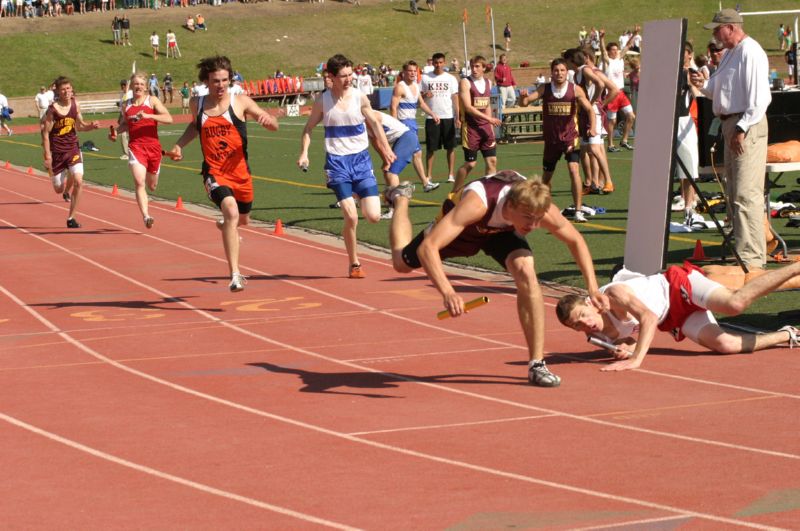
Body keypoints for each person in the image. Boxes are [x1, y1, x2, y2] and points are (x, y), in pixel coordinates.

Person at [385, 170, 608, 387]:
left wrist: (593, 288)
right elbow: (428, 249)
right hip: (466, 230)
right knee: (401, 263)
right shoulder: (477, 204)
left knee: (527, 273)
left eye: (538, 219)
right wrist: (448, 291)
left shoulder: (540, 208)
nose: (532, 226)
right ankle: (401, 198)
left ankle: (537, 364)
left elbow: (575, 241)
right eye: (528, 219)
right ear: (510, 206)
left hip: (501, 233)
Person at [556, 261, 800, 371]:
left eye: (583, 316)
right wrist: (625, 349)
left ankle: (795, 267)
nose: (585, 326)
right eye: (576, 326)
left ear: (590, 303)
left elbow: (648, 319)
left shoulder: (614, 295)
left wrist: (636, 360)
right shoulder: (600, 334)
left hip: (679, 286)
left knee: (735, 303)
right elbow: (629, 338)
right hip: (674, 317)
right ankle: (787, 334)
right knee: (726, 345)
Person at [165, 55, 279, 292]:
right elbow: (195, 127)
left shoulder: (241, 102)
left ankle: (227, 226)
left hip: (241, 173)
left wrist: (268, 121)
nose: (221, 85)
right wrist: (179, 145)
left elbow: (270, 122)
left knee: (242, 220)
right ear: (206, 81)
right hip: (214, 172)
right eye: (216, 81)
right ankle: (235, 274)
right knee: (230, 209)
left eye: (225, 80)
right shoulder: (197, 104)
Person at [297, 54, 396, 279]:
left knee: (373, 216)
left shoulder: (359, 97)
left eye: (351, 74)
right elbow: (308, 129)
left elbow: (375, 123)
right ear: (331, 77)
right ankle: (354, 263)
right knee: (350, 217)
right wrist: (304, 153)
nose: (349, 79)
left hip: (361, 161)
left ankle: (358, 196)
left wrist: (386, 148)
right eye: (343, 76)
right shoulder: (323, 101)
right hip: (337, 163)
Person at [691, 8, 771, 272]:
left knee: (746, 193)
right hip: (733, 123)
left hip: (744, 125)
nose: (714, 35)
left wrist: (742, 127)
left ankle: (751, 258)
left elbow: (760, 98)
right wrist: (701, 82)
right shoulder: (731, 54)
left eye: (717, 29)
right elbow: (716, 91)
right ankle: (745, 253)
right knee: (736, 192)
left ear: (731, 27)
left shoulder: (750, 51)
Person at [518, 58, 596, 223]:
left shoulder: (575, 89)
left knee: (574, 170)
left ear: (567, 72)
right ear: (551, 72)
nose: (559, 73)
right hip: (551, 140)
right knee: (546, 178)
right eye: (556, 70)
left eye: (562, 70)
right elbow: (525, 103)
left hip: (570, 138)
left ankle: (578, 211)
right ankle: (545, 208)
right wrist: (522, 97)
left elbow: (590, 109)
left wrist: (593, 127)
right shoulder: (545, 89)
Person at [110, 72, 173, 229]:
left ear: (146, 87)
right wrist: (116, 133)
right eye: (135, 83)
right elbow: (126, 124)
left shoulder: (152, 101)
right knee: (139, 182)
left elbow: (169, 118)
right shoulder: (127, 105)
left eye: (141, 84)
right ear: (131, 86)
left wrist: (149, 116)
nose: (138, 86)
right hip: (136, 147)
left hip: (153, 147)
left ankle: (148, 202)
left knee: (152, 185)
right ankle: (146, 216)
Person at [41, 76, 101, 228]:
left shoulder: (75, 105)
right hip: (57, 152)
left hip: (73, 148)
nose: (66, 91)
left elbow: (80, 126)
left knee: (79, 181)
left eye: (68, 88)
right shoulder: (53, 110)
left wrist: (91, 126)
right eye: (63, 89)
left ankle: (71, 218)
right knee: (58, 189)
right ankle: (57, 177)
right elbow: (45, 133)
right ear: (58, 92)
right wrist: (47, 155)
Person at [452, 55, 502, 192]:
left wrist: (490, 126)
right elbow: (468, 107)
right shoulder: (465, 82)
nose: (474, 69)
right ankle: (454, 193)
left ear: (484, 68)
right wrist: (490, 120)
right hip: (471, 128)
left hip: (485, 127)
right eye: (472, 66)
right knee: (470, 164)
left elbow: (486, 105)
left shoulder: (488, 82)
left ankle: (489, 193)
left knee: (492, 161)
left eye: (477, 66)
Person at [389, 60, 439, 195]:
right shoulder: (400, 87)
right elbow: (393, 107)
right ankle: (424, 183)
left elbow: (421, 103)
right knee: (408, 155)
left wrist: (432, 114)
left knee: (417, 154)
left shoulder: (416, 86)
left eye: (414, 71)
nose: (412, 73)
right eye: (409, 71)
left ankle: (425, 183)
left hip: (412, 123)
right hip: (404, 124)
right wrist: (395, 125)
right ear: (403, 73)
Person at [369, 112, 429, 219]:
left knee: (391, 173)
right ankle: (392, 206)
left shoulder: (370, 116)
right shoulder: (363, 118)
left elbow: (377, 140)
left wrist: (387, 158)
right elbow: (375, 141)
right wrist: (385, 159)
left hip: (405, 137)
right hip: (401, 139)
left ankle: (395, 209)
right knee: (387, 172)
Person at [671, 42, 701, 224]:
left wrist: (692, 85)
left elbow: (698, 94)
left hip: (684, 121)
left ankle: (689, 208)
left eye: (685, 52)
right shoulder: (669, 72)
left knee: (689, 167)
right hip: (667, 122)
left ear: (690, 55)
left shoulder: (691, 73)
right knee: (666, 169)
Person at [420, 52, 460, 184]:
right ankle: (429, 175)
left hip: (447, 116)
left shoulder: (450, 79)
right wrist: (425, 94)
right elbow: (420, 97)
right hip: (432, 117)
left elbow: (455, 98)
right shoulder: (426, 78)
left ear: (444, 62)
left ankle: (450, 174)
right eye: (436, 62)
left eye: (440, 62)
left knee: (450, 147)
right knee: (431, 148)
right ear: (432, 63)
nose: (438, 65)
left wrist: (457, 116)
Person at [599, 29, 636, 152]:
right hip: (611, 94)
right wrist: (601, 38)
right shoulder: (607, 61)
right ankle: (610, 145)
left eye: (616, 49)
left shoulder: (620, 59)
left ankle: (624, 141)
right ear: (609, 52)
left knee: (631, 116)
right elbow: (603, 51)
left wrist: (635, 35)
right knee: (612, 121)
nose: (615, 51)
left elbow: (627, 46)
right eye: (613, 50)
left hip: (621, 93)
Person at [116, 79, 132, 161]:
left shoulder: (130, 93)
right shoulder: (122, 94)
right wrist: (120, 116)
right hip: (123, 116)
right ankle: (126, 153)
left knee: (132, 135)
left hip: (130, 117)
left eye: (124, 85)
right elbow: (122, 105)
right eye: (122, 86)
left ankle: (132, 152)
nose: (123, 87)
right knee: (123, 135)